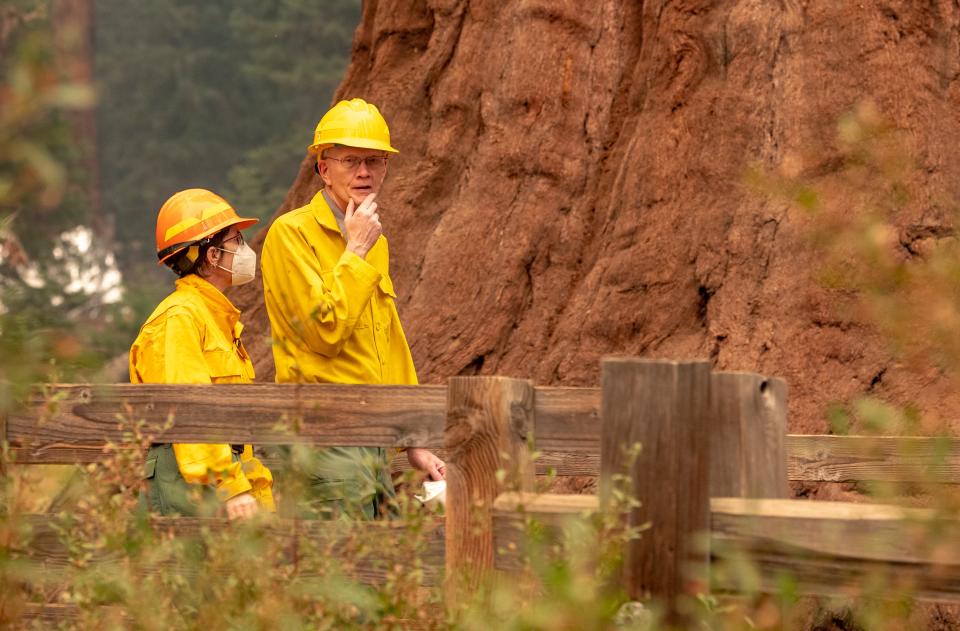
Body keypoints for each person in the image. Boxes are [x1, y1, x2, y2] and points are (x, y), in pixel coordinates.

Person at [260, 98, 444, 519]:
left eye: (375, 161)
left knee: (380, 574)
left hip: (376, 438)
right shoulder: (290, 235)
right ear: (323, 169)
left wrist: (412, 436)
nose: (364, 172)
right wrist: (356, 250)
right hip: (325, 441)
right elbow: (323, 333)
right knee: (332, 574)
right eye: (350, 161)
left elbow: (387, 342)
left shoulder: (374, 240)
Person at [131, 188, 275, 519]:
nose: (245, 249)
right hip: (188, 482)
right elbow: (188, 410)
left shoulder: (214, 319)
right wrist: (230, 487)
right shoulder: (179, 318)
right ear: (212, 256)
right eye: (237, 240)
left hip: (210, 478)